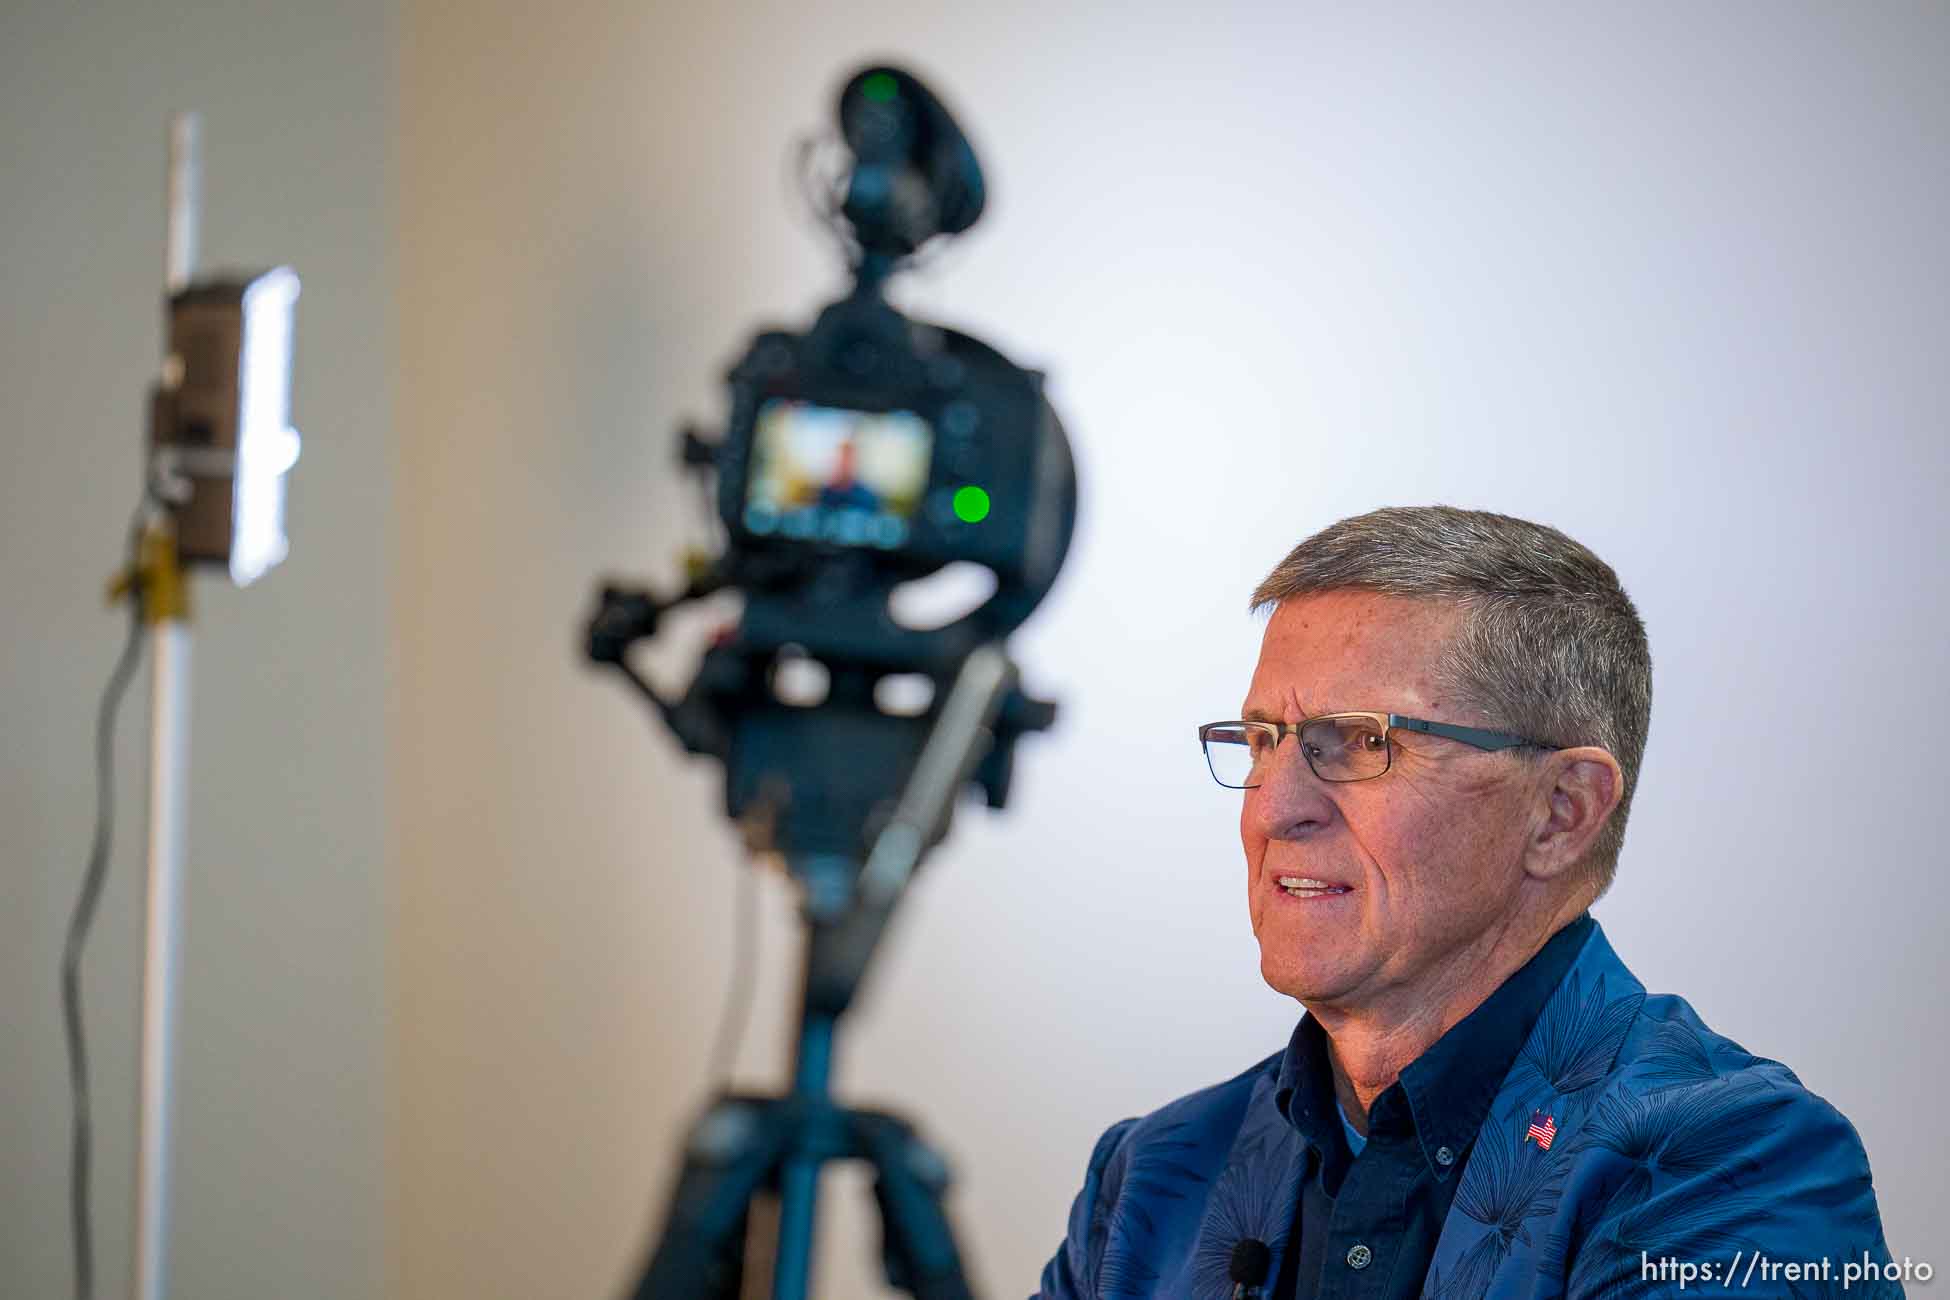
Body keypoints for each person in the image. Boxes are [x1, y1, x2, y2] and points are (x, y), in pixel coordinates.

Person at [1035, 506, 1900, 1300]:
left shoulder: (1732, 1167)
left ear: (1561, 812)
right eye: (1265, 740)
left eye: (1360, 740)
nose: (1271, 807)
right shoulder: (1150, 1179)